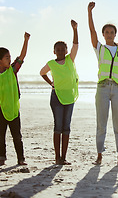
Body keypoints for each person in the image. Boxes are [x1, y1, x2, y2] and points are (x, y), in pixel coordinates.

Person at [88, 1, 118, 165]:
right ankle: (99, 155)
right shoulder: (100, 48)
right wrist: (89, 13)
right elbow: (91, 31)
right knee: (101, 123)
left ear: (115, 34)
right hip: (103, 88)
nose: (109, 34)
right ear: (103, 34)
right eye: (106, 32)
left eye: (112, 32)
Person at [0, 32, 30, 166]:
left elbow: (22, 57)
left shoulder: (12, 70)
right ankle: (2, 158)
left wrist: (25, 40)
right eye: (6, 57)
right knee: (0, 135)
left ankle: (21, 159)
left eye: (10, 57)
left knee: (17, 135)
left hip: (13, 108)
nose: (9, 59)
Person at [40, 20, 79, 165]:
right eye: (58, 49)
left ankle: (64, 157)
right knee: (58, 126)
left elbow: (76, 45)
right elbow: (42, 73)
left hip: (69, 97)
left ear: (66, 50)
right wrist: (51, 83)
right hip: (56, 97)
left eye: (63, 49)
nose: (61, 51)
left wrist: (75, 29)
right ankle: (57, 157)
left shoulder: (70, 60)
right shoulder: (51, 63)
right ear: (54, 51)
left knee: (66, 127)